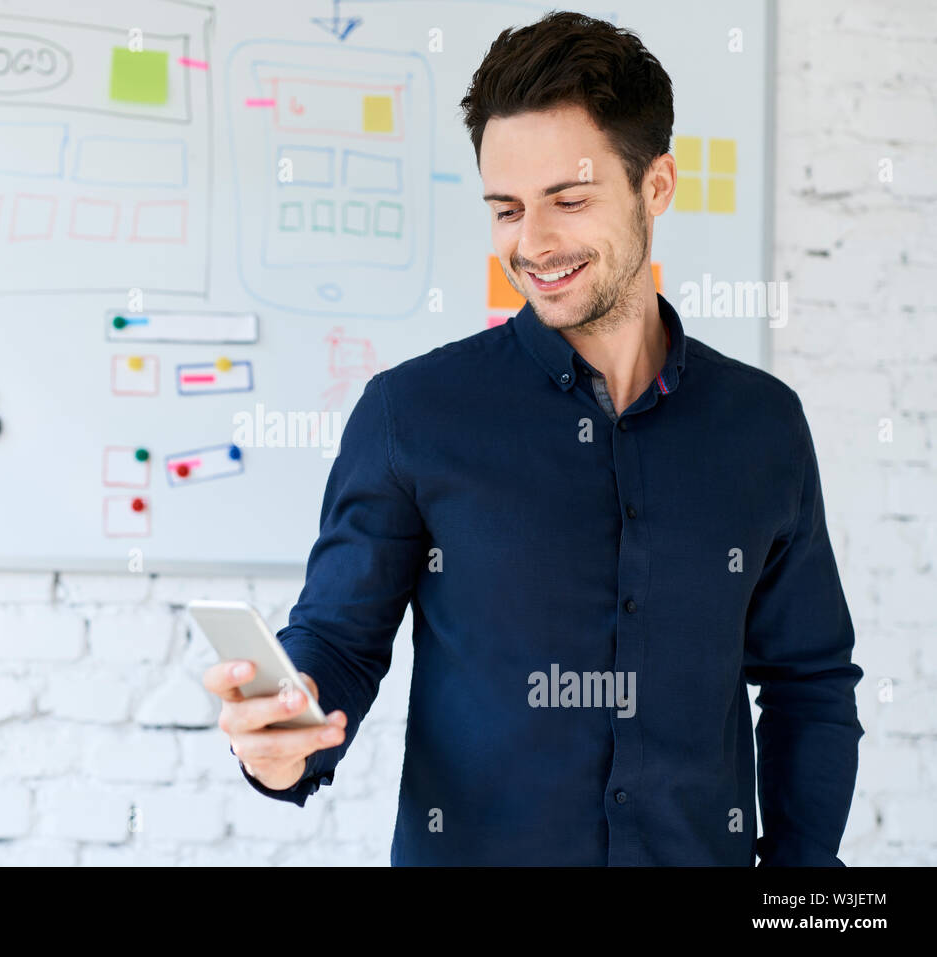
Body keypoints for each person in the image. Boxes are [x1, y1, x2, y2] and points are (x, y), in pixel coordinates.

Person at [203, 10, 863, 866]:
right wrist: (282, 737)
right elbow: (336, 638)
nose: (534, 242)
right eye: (507, 208)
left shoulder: (763, 425)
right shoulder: (410, 415)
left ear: (655, 186)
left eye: (569, 200)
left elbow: (809, 682)